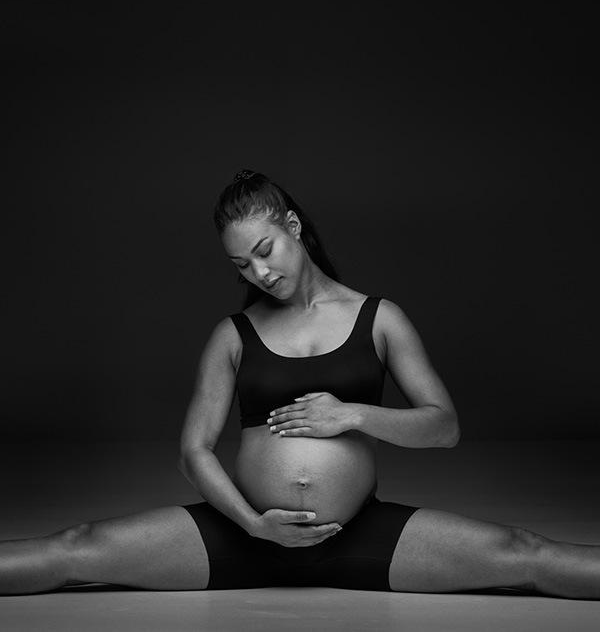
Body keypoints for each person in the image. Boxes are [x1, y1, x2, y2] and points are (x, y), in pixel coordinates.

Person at [1, 169, 599, 598]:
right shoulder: (233, 334)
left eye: (265, 251)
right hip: (242, 533)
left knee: (524, 554)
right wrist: (251, 523)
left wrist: (354, 415)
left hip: (358, 533)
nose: (260, 273)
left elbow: (443, 428)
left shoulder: (379, 318)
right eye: (241, 265)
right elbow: (193, 452)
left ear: (292, 226)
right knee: (76, 546)